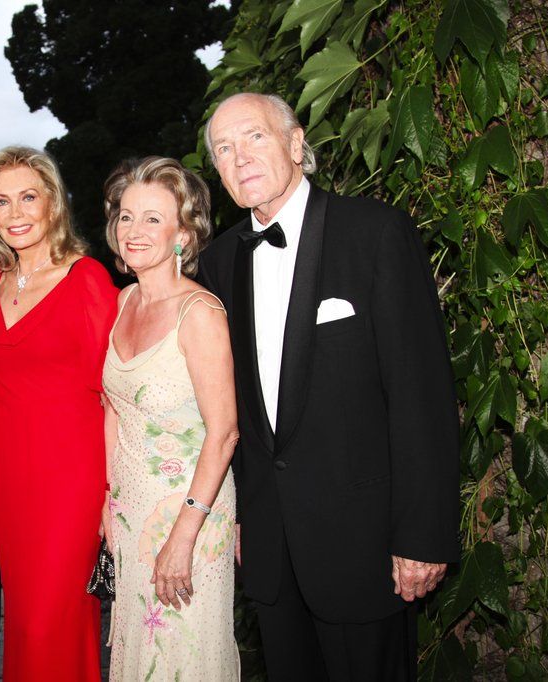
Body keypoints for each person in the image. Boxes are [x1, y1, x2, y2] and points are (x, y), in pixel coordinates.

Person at [196, 92, 460, 681]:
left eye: (255, 137)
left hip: (366, 544)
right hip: (270, 549)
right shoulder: (218, 263)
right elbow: (233, 408)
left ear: (296, 144)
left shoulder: (375, 233)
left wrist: (423, 534)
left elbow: (421, 395)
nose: (240, 157)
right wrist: (240, 516)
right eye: (224, 149)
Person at [0, 146, 117, 681]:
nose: (15, 213)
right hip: (5, 471)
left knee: (49, 618)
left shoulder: (87, 279)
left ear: (53, 203)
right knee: (23, 613)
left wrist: (113, 492)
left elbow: (114, 393)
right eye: (1, 201)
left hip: (70, 475)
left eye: (28, 197)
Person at [100, 157, 240, 681]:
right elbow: (114, 407)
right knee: (142, 653)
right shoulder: (124, 301)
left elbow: (224, 434)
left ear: (184, 234)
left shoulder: (200, 313)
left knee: (184, 655)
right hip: (131, 510)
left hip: (191, 512)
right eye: (126, 216)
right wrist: (109, 500)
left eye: (153, 218)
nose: (134, 230)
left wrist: (184, 535)